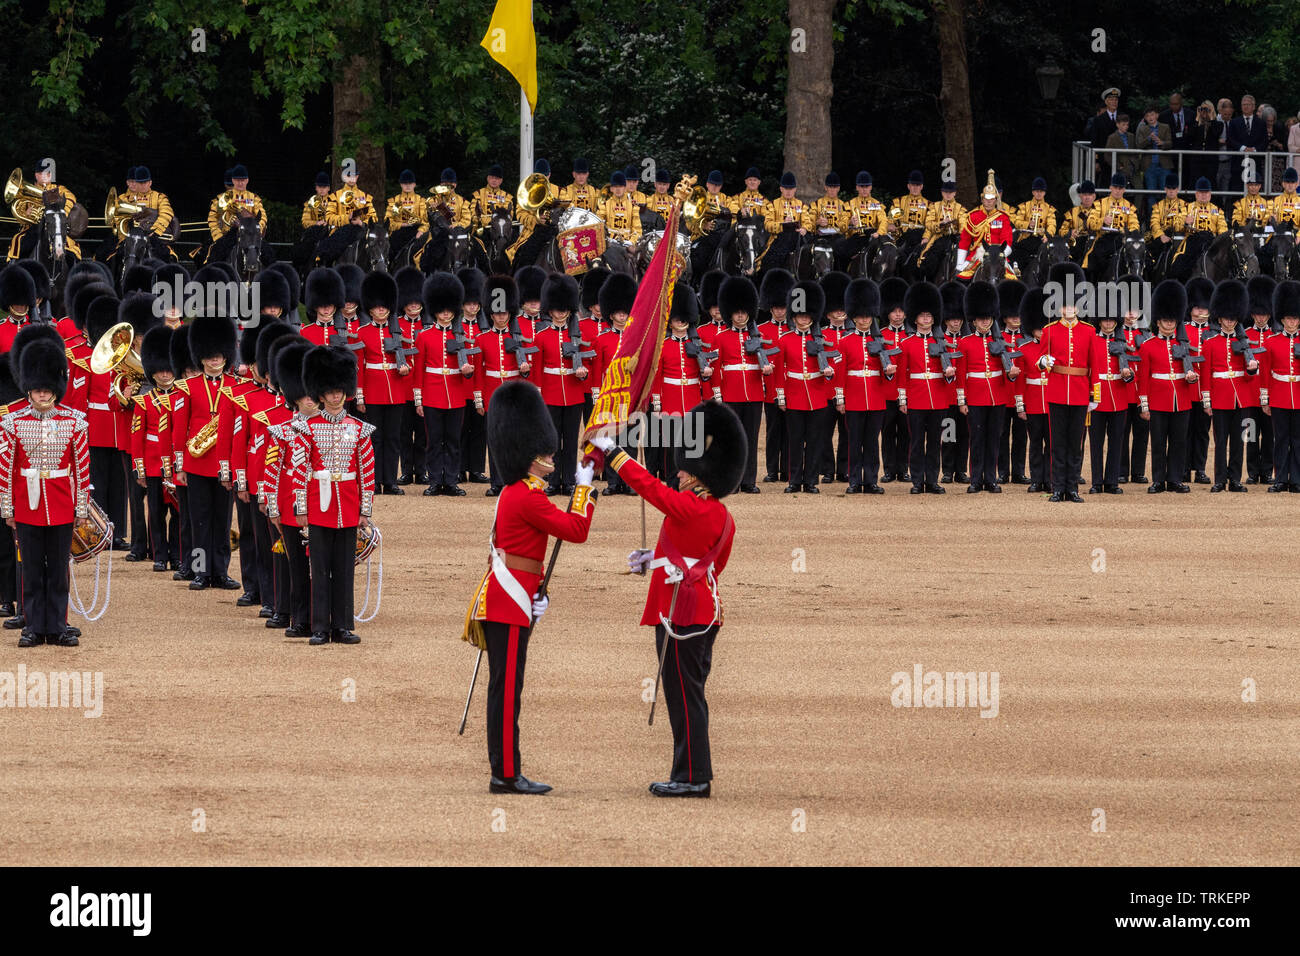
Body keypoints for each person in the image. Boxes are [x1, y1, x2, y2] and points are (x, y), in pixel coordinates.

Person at [592, 400, 741, 797]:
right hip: (701, 609)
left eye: (683, 469)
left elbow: (652, 489)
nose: (677, 473)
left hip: (683, 614)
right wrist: (654, 560)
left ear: (698, 476)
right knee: (686, 694)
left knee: (685, 696)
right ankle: (688, 772)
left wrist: (615, 452)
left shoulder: (691, 508)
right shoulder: (720, 515)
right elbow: (708, 562)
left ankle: (692, 778)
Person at [464, 379, 597, 794]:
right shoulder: (527, 496)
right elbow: (576, 531)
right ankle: (505, 773)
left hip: (513, 593)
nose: (549, 457)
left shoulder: (515, 491)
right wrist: (585, 488)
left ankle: (505, 768)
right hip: (508, 598)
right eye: (543, 453)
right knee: (506, 691)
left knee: (507, 687)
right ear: (526, 454)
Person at [1, 333, 90, 647]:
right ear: (29, 387)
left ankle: (58, 625)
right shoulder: (13, 422)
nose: (42, 392)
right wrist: (7, 508)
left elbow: (81, 469)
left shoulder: (74, 421)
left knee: (59, 573)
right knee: (32, 570)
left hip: (62, 505)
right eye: (37, 387)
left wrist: (81, 508)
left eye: (46, 387)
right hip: (27, 506)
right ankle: (33, 627)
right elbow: (6, 470)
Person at [290, 345, 375, 645]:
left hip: (348, 505)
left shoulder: (359, 429)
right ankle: (319, 627)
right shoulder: (308, 428)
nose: (335, 396)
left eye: (339, 390)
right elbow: (300, 471)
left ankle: (342, 625)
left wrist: (365, 510)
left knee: (343, 568)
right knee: (319, 567)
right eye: (330, 391)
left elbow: (366, 472)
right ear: (321, 394)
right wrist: (301, 508)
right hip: (318, 504)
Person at [172, 312, 242, 590]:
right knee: (199, 519)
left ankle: (220, 572)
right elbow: (179, 428)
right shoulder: (187, 388)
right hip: (197, 463)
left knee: (222, 521)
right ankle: (201, 571)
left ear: (226, 355)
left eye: (219, 355)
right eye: (209, 356)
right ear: (201, 357)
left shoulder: (236, 387)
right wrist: (179, 466)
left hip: (224, 463)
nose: (214, 360)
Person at [263, 339, 315, 638]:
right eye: (304, 394)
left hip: (321, 504)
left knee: (318, 567)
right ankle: (298, 617)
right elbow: (271, 471)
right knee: (295, 565)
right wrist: (273, 508)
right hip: (289, 504)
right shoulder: (282, 430)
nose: (309, 399)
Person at [1037, 262, 1096, 502]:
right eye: (1065, 305)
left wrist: (1095, 396)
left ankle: (1072, 487)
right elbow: (1039, 362)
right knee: (1057, 443)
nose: (1069, 309)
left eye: (1072, 305)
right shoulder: (1049, 330)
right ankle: (1057, 487)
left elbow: (1095, 366)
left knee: (1076, 444)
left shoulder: (1089, 331)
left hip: (1081, 393)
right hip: (1057, 392)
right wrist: (1044, 361)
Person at [773, 280, 834, 494]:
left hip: (816, 395)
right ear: (794, 317)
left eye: (807, 316)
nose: (804, 319)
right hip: (795, 394)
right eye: (800, 316)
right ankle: (794, 480)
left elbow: (832, 368)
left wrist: (828, 374)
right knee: (795, 441)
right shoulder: (785, 340)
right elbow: (780, 370)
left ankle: (811, 481)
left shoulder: (822, 340)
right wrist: (781, 396)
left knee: (815, 441)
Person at [414, 272, 472, 496]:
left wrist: (467, 371)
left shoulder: (463, 335)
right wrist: (419, 399)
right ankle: (435, 480)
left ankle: (451, 480)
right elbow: (418, 370)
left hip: (456, 394)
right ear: (435, 310)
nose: (446, 313)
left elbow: (470, 365)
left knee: (454, 441)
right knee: (434, 441)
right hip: (432, 395)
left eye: (449, 310)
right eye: (442, 310)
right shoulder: (424, 336)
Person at [955, 281, 1016, 492]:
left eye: (988, 318)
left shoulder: (1001, 341)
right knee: (977, 439)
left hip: (997, 396)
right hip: (976, 396)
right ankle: (975, 479)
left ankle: (991, 478)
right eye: (981, 318)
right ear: (974, 320)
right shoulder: (965, 342)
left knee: (994, 439)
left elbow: (1007, 370)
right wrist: (962, 400)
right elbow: (961, 373)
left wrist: (1011, 373)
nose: (985, 322)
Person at [353, 271, 409, 495]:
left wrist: (407, 368)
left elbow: (410, 359)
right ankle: (373, 481)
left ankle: (390, 480)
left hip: (395, 390)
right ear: (370, 308)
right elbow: (359, 366)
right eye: (377, 307)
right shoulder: (362, 332)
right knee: (374, 438)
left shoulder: (399, 331)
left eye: (384, 306)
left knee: (393, 438)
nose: (381, 310)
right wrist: (360, 396)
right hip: (373, 391)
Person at [532, 275, 589, 495]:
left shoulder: (577, 335)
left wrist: (583, 373)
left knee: (572, 440)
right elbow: (537, 369)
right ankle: (554, 481)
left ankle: (569, 480)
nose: (561, 312)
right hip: (551, 394)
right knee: (553, 441)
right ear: (550, 309)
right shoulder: (542, 336)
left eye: (564, 308)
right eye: (557, 308)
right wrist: (538, 394)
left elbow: (587, 362)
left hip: (573, 393)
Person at [1138, 281, 1196, 493]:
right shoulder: (1148, 346)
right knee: (1159, 442)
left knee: (1179, 442)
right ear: (1158, 321)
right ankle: (1158, 479)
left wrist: (1191, 377)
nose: (1169, 324)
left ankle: (1174, 479)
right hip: (1158, 399)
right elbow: (1143, 378)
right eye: (1165, 320)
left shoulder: (1184, 345)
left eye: (1172, 320)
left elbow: (1192, 371)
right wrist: (1144, 405)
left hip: (1181, 399)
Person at [713, 276, 768, 494]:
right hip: (731, 393)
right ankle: (733, 481)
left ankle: (749, 480)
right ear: (730, 314)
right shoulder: (721, 337)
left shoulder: (758, 336)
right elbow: (717, 368)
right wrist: (717, 394)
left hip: (753, 393)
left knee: (751, 439)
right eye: (736, 312)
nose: (740, 316)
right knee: (732, 440)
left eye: (744, 312)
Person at [895, 281, 952, 494]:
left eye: (929, 316)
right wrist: (903, 399)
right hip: (917, 398)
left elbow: (951, 371)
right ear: (915, 318)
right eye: (922, 316)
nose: (926, 319)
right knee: (917, 441)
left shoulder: (944, 341)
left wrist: (949, 374)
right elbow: (902, 374)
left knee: (936, 441)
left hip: (938, 397)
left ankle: (932, 480)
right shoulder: (907, 343)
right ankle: (918, 481)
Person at [1200, 280, 1257, 492]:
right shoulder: (1210, 343)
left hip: (1240, 397)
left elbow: (1250, 376)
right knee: (1220, 441)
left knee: (1238, 442)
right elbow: (1205, 375)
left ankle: (1235, 480)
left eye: (1233, 318)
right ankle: (1219, 480)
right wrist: (1207, 401)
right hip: (1220, 397)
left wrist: (1252, 368)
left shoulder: (1245, 342)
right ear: (1219, 317)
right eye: (1226, 318)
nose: (1229, 322)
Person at [132, 326, 181, 572]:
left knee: (178, 512)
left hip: (176, 463)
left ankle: (177, 554)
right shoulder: (144, 401)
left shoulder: (183, 397)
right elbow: (137, 437)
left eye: (168, 369)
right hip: (152, 464)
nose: (164, 374)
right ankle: (159, 555)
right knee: (156, 513)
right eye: (160, 370)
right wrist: (139, 469)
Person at [837, 278, 892, 493]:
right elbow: (841, 372)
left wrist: (888, 373)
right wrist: (841, 398)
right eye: (860, 316)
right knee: (854, 441)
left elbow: (888, 371)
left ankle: (870, 480)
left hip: (876, 397)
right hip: (854, 397)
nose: (864, 320)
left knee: (871, 442)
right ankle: (854, 481)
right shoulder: (845, 341)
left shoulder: (882, 340)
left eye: (867, 316)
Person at [1086, 307, 1135, 494]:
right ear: (1099, 321)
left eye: (1111, 320)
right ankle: (1097, 482)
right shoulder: (1092, 339)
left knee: (1116, 441)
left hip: (1118, 396)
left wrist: (1127, 374)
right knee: (1096, 442)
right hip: (1097, 395)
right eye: (1105, 320)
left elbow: (1133, 371)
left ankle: (1112, 481)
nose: (1108, 323)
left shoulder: (1123, 341)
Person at [1261, 280, 1300, 491]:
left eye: (1295, 318)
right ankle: (1280, 479)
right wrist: (1265, 400)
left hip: (1299, 396)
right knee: (1280, 440)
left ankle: (1296, 479)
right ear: (1282, 318)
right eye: (1288, 318)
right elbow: (1265, 372)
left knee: (1298, 441)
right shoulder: (1271, 341)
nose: (1292, 322)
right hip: (1279, 396)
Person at [6, 159, 82, 263]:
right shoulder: (26, 193)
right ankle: (15, 268)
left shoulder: (59, 189)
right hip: (33, 229)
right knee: (18, 240)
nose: (45, 175)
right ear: (36, 175)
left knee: (70, 249)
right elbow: (19, 215)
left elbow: (70, 198)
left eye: (48, 173)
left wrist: (61, 211)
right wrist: (27, 215)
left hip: (55, 227)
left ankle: (74, 273)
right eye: (41, 173)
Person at [757, 269, 794, 484]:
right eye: (777, 308)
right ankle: (772, 470)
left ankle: (787, 469)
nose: (780, 312)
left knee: (790, 432)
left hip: (791, 388)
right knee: (772, 432)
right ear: (771, 307)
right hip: (769, 388)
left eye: (783, 307)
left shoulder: (794, 330)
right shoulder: (761, 331)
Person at [98, 166, 177, 264]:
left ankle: (178, 280)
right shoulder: (127, 198)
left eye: (145, 182)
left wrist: (155, 231)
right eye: (140, 183)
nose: (142, 185)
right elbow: (119, 220)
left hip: (154, 236)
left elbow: (166, 213)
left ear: (150, 183)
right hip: (131, 238)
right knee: (110, 258)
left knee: (171, 260)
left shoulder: (160, 197)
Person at [1014, 287, 1051, 492]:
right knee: (1035, 442)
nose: (1042, 331)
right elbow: (1020, 380)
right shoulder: (1024, 349)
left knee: (1053, 444)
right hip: (1034, 401)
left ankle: (1050, 478)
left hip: (1053, 401)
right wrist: (1021, 405)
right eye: (1038, 328)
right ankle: (1037, 479)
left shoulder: (1057, 349)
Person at [876, 277, 910, 482]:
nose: (898, 315)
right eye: (894, 311)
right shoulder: (879, 335)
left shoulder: (911, 335)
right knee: (888, 432)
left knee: (906, 432)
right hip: (887, 392)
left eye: (901, 311)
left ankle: (903, 469)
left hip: (908, 392)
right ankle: (889, 469)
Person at [1182, 277, 1215, 483]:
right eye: (1197, 308)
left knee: (1203, 431)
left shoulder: (1214, 332)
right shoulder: (1183, 329)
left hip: (1207, 390)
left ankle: (1200, 468)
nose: (1201, 312)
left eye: (1204, 308)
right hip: (1187, 387)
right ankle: (1184, 468)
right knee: (1184, 432)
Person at [204, 164, 269, 267]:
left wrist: (256, 231)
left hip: (250, 235)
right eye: (237, 180)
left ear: (247, 180)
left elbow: (263, 216)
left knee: (270, 255)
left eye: (243, 180)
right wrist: (218, 237)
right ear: (233, 181)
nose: (240, 182)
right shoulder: (223, 198)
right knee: (214, 259)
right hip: (230, 235)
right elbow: (212, 219)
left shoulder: (254, 198)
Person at [1245, 276, 1277, 483]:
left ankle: (1266, 471)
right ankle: (1251, 471)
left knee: (1269, 435)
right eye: (1257, 314)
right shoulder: (1245, 335)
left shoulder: (1275, 335)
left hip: (1270, 393)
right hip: (1248, 393)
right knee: (1250, 434)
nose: (1260, 318)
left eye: (1264, 314)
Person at [955, 172, 1016, 280]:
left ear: (996, 200)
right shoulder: (973, 216)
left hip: (998, 255)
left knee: (1014, 281)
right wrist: (959, 264)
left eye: (991, 199)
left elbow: (1007, 241)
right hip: (977, 256)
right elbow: (965, 241)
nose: (988, 202)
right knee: (960, 279)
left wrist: (1000, 255)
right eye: (986, 199)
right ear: (982, 199)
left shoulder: (1003, 217)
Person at [996, 280, 1028, 483]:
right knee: (1001, 434)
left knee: (1020, 436)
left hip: (1023, 394)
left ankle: (1018, 471)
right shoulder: (997, 340)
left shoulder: (1028, 340)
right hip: (1003, 392)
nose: (1016, 318)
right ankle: (1002, 472)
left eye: (1018, 315)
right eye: (1012, 315)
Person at [315, 165, 377, 267]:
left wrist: (360, 222)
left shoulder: (365, 197)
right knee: (325, 249)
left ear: (357, 177)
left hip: (361, 230)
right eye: (349, 176)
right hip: (341, 231)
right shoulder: (335, 196)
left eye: (354, 176)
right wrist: (347, 218)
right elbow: (329, 217)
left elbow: (374, 217)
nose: (352, 179)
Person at [1168, 179, 1227, 280]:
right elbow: (1176, 225)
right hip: (1192, 241)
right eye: (1201, 192)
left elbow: (1223, 230)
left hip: (1211, 241)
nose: (1204, 195)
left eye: (1206, 192)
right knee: (1178, 265)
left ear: (1210, 194)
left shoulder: (1217, 210)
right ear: (1196, 194)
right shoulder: (1187, 208)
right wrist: (1185, 222)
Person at [1082, 174, 1140, 278]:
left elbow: (1135, 225)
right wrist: (1102, 220)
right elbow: (1090, 222)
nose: (1117, 191)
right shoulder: (1099, 203)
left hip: (1123, 239)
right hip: (1105, 238)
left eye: (1120, 188)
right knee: (1094, 259)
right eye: (1115, 188)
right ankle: (1098, 283)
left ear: (1124, 190)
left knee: (1143, 258)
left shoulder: (1130, 207)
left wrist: (1127, 232)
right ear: (1110, 188)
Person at [916, 182, 966, 282]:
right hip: (938, 238)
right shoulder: (934, 206)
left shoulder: (960, 208)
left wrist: (959, 233)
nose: (948, 194)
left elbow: (963, 225)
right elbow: (928, 223)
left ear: (955, 193)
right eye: (945, 192)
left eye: (950, 192)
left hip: (955, 239)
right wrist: (940, 224)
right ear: (942, 192)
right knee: (929, 259)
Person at [758, 172, 805, 275]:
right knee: (769, 261)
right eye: (786, 188)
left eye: (791, 189)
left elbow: (807, 221)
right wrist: (782, 224)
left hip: (797, 239)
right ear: (781, 189)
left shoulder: (802, 205)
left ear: (795, 189)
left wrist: (805, 229)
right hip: (778, 239)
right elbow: (767, 224)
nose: (788, 191)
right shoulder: (772, 205)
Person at [292, 172, 333, 275]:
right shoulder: (311, 202)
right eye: (320, 186)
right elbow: (305, 221)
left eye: (325, 187)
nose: (322, 189)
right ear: (316, 188)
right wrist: (316, 223)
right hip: (315, 233)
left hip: (331, 233)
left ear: (328, 188)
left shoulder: (335, 201)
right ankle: (301, 272)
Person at [386, 169, 429, 265]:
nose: (408, 185)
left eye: (410, 183)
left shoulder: (421, 201)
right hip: (399, 234)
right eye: (405, 183)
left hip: (416, 233)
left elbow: (426, 222)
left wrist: (421, 231)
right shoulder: (396, 201)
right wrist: (403, 224)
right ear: (401, 184)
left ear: (414, 184)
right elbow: (390, 223)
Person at [1011, 178, 1057, 267]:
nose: (1039, 193)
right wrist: (1028, 224)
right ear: (1033, 192)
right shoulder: (1024, 206)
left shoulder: (1049, 209)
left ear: (1044, 193)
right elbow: (1017, 222)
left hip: (1041, 239)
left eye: (1041, 191)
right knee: (1016, 254)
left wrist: (1046, 236)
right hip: (1026, 238)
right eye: (1036, 191)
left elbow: (1052, 225)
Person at [1137, 106, 1173, 204]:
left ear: (1157, 115)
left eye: (1152, 114)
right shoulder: (1142, 129)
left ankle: (1165, 218)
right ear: (1145, 118)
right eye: (1147, 116)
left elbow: (1170, 143)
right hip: (1149, 166)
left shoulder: (1165, 127)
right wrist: (1149, 139)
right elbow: (1139, 145)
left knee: (1166, 193)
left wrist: (1162, 143)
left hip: (1164, 165)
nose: (1150, 117)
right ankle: (1151, 218)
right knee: (1151, 194)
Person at [1186, 101, 1225, 188]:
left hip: (1211, 160)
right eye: (1202, 109)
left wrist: (1211, 117)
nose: (1204, 111)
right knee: (1195, 182)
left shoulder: (1218, 124)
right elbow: (1190, 137)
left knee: (1211, 182)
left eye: (1207, 109)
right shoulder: (1195, 125)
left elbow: (1216, 133)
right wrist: (1197, 117)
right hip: (1196, 159)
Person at [1058, 180, 1098, 265]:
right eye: (1084, 195)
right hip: (1076, 242)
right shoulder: (1071, 213)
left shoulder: (1100, 212)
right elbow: (1061, 231)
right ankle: (1069, 278)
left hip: (1094, 242)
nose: (1087, 197)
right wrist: (1070, 233)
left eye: (1090, 195)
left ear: (1094, 196)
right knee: (1067, 255)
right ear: (1080, 196)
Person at [1089, 87, 1122, 183]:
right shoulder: (1098, 120)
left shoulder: (1123, 117)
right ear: (1106, 102)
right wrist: (1096, 161)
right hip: (1104, 159)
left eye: (1116, 100)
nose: (1114, 102)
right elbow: (1095, 141)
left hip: (1120, 159)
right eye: (1111, 100)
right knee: (1104, 185)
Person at [1104, 114, 1141, 187]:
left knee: (1140, 188)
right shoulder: (1112, 137)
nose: (1126, 127)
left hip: (1133, 167)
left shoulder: (1131, 136)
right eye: (1123, 125)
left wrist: (1136, 163)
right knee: (1120, 189)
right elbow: (1107, 155)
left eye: (1127, 125)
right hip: (1121, 169)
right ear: (1117, 125)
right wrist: (1118, 166)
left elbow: (1135, 151)